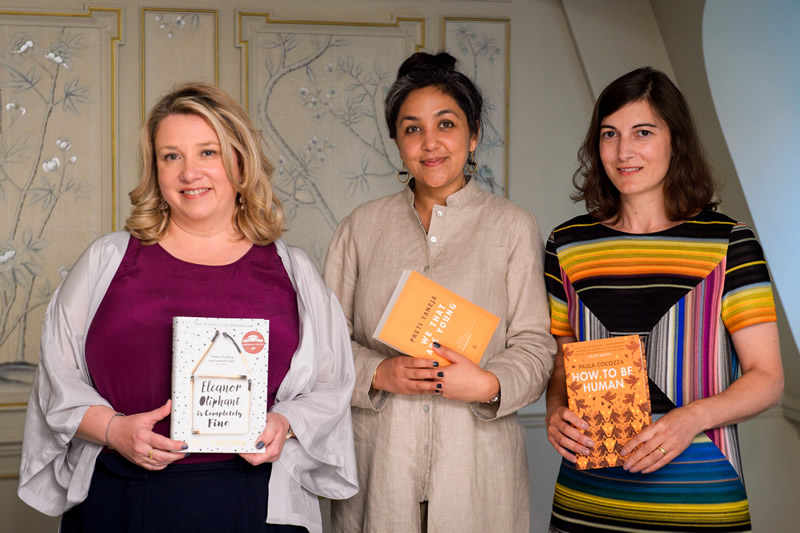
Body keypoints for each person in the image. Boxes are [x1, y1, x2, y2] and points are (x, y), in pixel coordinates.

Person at [17, 82, 358, 533]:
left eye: (208, 153)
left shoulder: (292, 269)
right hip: (121, 497)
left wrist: (286, 422)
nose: (189, 173)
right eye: (170, 156)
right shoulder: (108, 259)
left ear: (240, 161)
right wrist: (115, 431)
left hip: (254, 503)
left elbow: (332, 383)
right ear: (155, 169)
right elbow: (57, 377)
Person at [323, 52, 556, 533]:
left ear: (473, 136)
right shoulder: (361, 229)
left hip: (478, 467)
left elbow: (536, 345)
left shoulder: (511, 228)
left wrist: (490, 385)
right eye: (412, 129)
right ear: (396, 142)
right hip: (381, 464)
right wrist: (379, 372)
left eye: (445, 124)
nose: (430, 143)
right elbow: (322, 347)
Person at [544, 67, 784, 532]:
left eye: (643, 132)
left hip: (700, 495)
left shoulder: (730, 243)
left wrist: (689, 418)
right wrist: (554, 412)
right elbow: (561, 365)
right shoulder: (567, 244)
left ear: (676, 141)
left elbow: (768, 378)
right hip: (586, 495)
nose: (623, 151)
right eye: (609, 134)